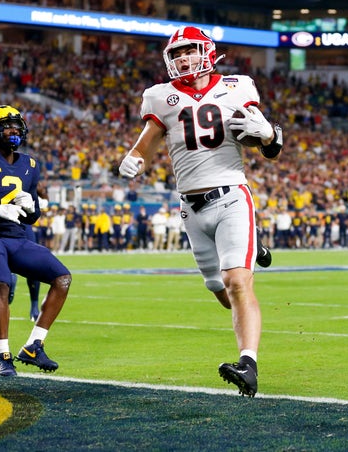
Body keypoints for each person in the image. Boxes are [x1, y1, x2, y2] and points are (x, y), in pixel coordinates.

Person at [119, 26, 282, 397]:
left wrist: (270, 134)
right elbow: (145, 144)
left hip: (230, 197)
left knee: (238, 283)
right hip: (190, 209)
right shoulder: (160, 97)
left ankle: (249, 364)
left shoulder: (238, 87)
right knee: (220, 289)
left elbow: (269, 148)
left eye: (189, 51)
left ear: (207, 52)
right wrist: (134, 158)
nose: (182, 59)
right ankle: (252, 249)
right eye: (176, 54)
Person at [0, 104, 73, 376]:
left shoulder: (30, 164)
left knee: (62, 279)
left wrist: (31, 207)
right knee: (1, 287)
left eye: (17, 124)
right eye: (7, 125)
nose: (13, 130)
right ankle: (2, 356)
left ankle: (33, 346)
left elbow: (33, 218)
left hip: (18, 237)